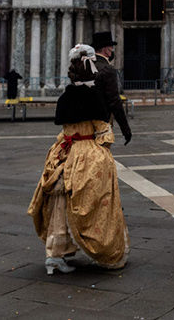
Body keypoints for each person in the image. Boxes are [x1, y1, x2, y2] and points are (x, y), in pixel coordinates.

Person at [28, 44, 131, 274]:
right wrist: (103, 147)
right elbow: (103, 132)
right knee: (96, 202)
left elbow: (64, 129)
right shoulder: (94, 97)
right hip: (88, 151)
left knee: (60, 205)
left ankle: (55, 255)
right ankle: (99, 247)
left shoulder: (65, 97)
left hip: (64, 151)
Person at [92, 31, 132, 142]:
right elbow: (114, 101)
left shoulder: (84, 65)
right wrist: (126, 129)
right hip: (101, 122)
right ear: (105, 49)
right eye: (111, 47)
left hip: (83, 123)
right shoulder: (107, 69)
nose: (112, 50)